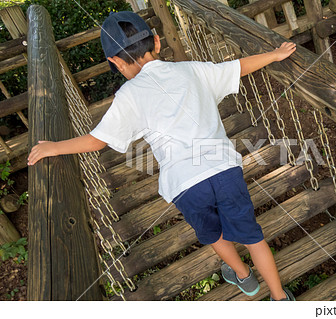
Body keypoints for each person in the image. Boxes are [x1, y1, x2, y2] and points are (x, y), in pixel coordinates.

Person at [27, 11, 297, 301]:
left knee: (214, 234)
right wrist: (274, 54)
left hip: (185, 184)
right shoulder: (191, 70)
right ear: (156, 42)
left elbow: (97, 141)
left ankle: (245, 278)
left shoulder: (129, 95)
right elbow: (236, 67)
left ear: (115, 62)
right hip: (224, 170)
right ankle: (279, 298)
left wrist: (54, 147)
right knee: (253, 237)